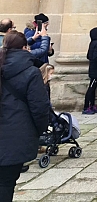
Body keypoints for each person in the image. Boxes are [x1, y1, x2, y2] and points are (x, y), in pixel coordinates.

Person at [0, 32, 50, 202]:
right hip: (15, 135)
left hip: (11, 132)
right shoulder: (31, 72)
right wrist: (39, 130)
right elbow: (40, 108)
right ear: (24, 48)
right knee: (6, 184)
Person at [83, 27, 97, 114]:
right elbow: (95, 57)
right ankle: (86, 106)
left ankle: (92, 105)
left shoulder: (92, 43)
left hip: (93, 69)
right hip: (95, 70)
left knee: (93, 88)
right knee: (91, 88)